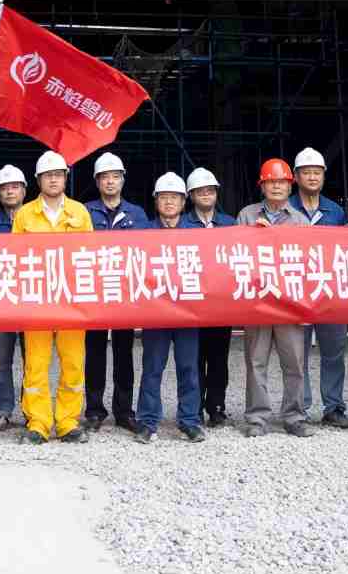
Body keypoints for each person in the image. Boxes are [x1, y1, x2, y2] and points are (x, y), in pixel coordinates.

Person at [13, 150, 94, 443]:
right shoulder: (25, 215)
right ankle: (38, 422)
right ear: (38, 180)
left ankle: (68, 421)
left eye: (58, 175)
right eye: (48, 175)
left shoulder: (80, 213)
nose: (53, 180)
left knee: (73, 361)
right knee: (36, 362)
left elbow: (90, 256)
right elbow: (15, 258)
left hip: (71, 299)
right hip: (37, 299)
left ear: (65, 178)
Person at [235, 158, 312, 438]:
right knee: (256, 363)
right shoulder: (247, 216)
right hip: (257, 301)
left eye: (282, 182)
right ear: (262, 186)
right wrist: (255, 236)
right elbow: (235, 254)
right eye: (271, 182)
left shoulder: (300, 220)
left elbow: (308, 260)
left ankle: (295, 417)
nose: (276, 186)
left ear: (290, 186)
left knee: (294, 363)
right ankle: (257, 418)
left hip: (289, 302)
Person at [136, 173, 205, 443]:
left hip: (187, 311)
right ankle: (147, 421)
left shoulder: (198, 234)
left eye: (174, 197)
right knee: (152, 367)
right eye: (163, 197)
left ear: (184, 201)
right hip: (156, 311)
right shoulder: (143, 233)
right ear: (156, 201)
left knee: (188, 367)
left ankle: (189, 421)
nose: (169, 202)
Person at [84, 151, 146, 433]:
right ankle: (94, 410)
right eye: (105, 177)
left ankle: (124, 411)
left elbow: (146, 251)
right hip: (94, 292)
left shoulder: (137, 214)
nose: (110, 181)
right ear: (97, 181)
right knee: (94, 352)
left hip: (124, 293)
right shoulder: (85, 212)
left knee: (124, 353)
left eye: (115, 176)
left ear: (123, 180)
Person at [288, 147, 348, 429]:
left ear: (323, 176)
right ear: (296, 177)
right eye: (306, 173)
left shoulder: (335, 211)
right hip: (297, 291)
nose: (312, 177)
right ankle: (300, 408)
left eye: (317, 172)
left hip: (329, 291)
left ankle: (333, 407)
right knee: (297, 354)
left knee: (333, 351)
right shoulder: (286, 210)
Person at [185, 167, 236, 427]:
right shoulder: (182, 224)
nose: (205, 195)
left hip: (221, 304)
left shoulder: (230, 223)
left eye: (210, 191)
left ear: (216, 193)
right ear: (191, 195)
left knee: (218, 359)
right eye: (200, 191)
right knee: (193, 359)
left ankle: (216, 407)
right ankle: (193, 408)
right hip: (191, 302)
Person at [0, 163, 28, 430]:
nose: (10, 191)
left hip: (30, 299)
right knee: (1, 360)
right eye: (4, 188)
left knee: (32, 359)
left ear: (24, 190)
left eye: (14, 187)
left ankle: (31, 409)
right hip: (1, 300)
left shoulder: (36, 219)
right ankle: (3, 410)